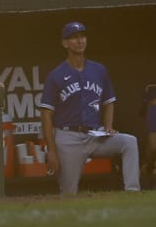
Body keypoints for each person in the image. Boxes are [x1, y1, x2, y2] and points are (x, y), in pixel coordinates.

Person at [38, 20, 140, 195]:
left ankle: (132, 192)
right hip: (68, 137)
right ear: (64, 43)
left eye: (82, 36)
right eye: (74, 37)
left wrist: (108, 126)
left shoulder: (99, 70)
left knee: (129, 142)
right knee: (68, 193)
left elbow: (109, 102)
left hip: (95, 135)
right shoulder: (56, 75)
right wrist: (52, 151)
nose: (80, 40)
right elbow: (46, 115)